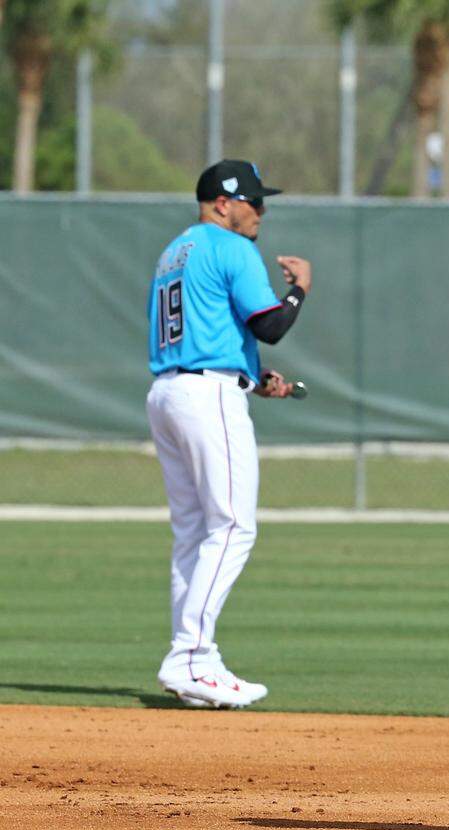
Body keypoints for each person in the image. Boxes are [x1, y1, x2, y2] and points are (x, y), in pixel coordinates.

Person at [147, 159, 313, 709]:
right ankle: (190, 656)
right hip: (206, 396)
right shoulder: (231, 246)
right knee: (234, 527)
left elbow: (210, 330)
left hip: (171, 390)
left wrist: (249, 375)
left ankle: (196, 658)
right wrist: (299, 292)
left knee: (195, 534)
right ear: (223, 203)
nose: (261, 211)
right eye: (253, 201)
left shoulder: (175, 251)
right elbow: (270, 324)